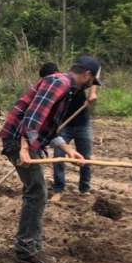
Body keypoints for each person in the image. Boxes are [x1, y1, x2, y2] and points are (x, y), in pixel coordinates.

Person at [0, 55, 103, 263]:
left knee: (37, 190)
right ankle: (26, 249)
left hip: (24, 139)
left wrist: (68, 150)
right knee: (36, 191)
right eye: (94, 81)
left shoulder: (67, 88)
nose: (93, 86)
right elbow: (33, 117)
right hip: (19, 140)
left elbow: (49, 127)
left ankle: (31, 246)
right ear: (88, 75)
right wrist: (24, 149)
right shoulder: (59, 83)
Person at [51, 69, 98, 203]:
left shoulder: (79, 81)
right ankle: (58, 190)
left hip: (82, 124)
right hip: (63, 125)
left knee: (85, 158)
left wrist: (92, 92)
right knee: (58, 157)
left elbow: (95, 76)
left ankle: (84, 189)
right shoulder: (58, 87)